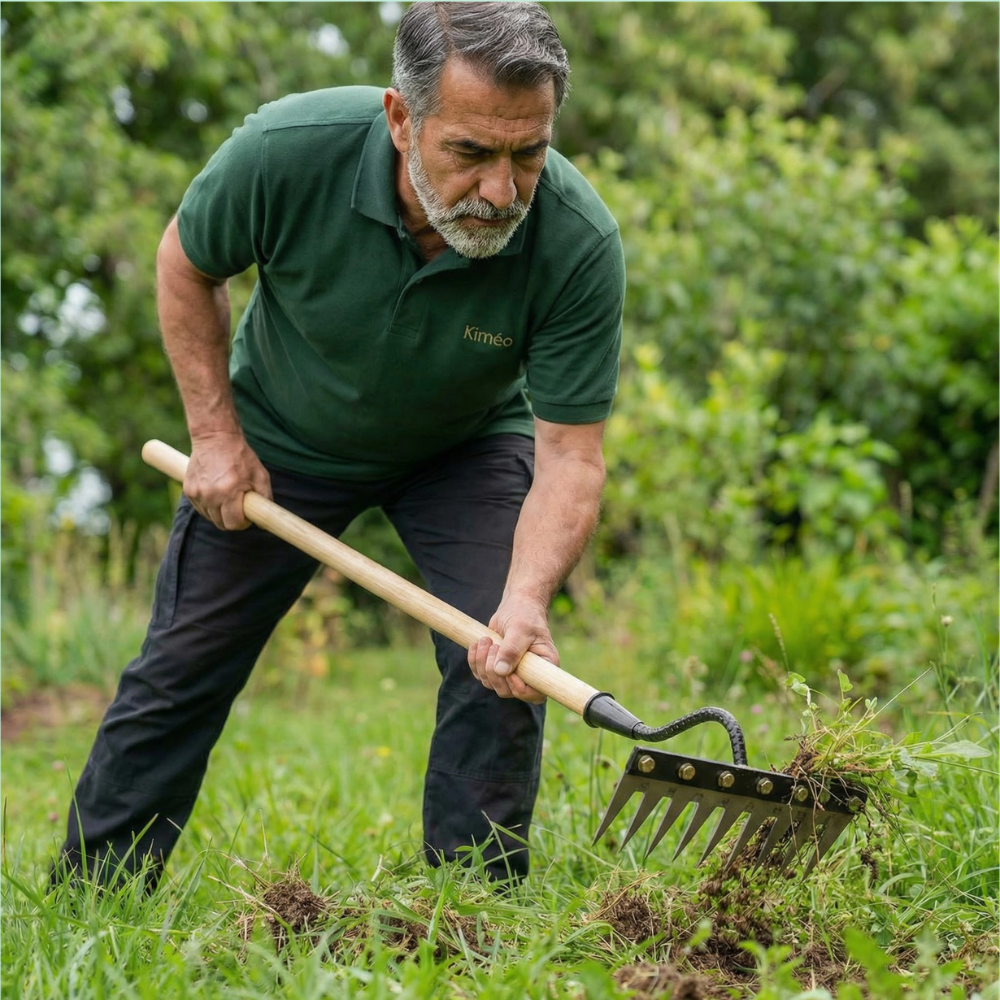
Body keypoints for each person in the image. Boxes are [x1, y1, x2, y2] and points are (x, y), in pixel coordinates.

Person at [53, 1, 624, 887]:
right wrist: (214, 439)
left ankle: (473, 911)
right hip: (280, 434)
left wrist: (525, 598)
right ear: (401, 119)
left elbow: (571, 454)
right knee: (182, 666)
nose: (503, 190)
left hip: (463, 446)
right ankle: (93, 894)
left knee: (501, 664)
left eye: (528, 154)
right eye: (470, 153)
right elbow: (185, 263)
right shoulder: (289, 151)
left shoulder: (577, 240)